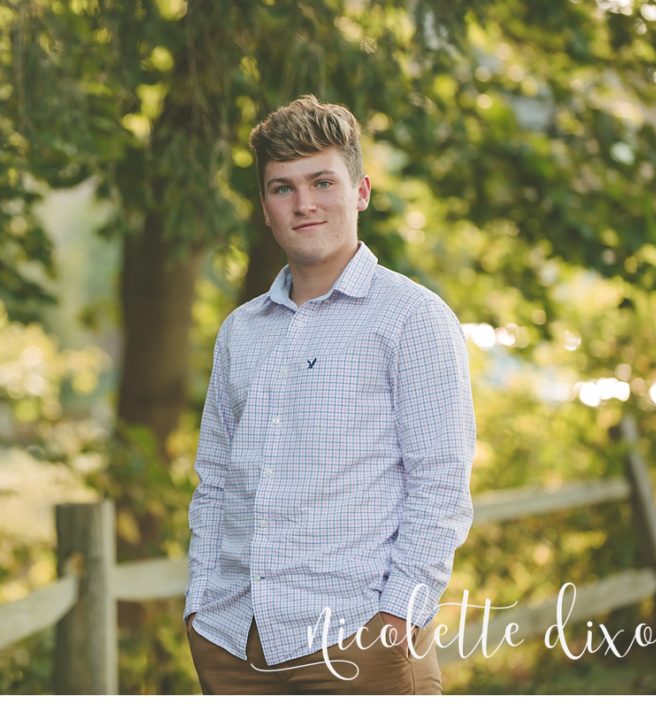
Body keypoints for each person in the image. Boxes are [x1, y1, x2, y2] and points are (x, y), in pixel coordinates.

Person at [183, 96, 474, 695]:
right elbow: (214, 478)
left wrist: (398, 619)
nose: (304, 203)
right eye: (282, 188)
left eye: (322, 181)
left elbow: (440, 487)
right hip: (233, 641)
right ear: (265, 208)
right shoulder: (241, 330)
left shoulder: (413, 319)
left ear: (361, 189)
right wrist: (201, 605)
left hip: (359, 642)